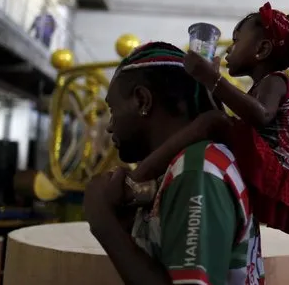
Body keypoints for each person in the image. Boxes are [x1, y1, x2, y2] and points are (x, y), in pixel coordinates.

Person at [129, 2, 289, 237]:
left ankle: (138, 178)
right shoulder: (262, 86)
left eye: (236, 41)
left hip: (273, 167)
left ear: (261, 50)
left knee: (214, 122)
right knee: (212, 122)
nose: (229, 50)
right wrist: (208, 85)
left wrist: (214, 80)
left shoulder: (276, 81)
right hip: (260, 160)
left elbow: (261, 116)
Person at [83, 42, 265, 285]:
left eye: (112, 109)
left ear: (141, 100)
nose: (109, 125)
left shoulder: (197, 170)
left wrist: (104, 225)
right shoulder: (180, 165)